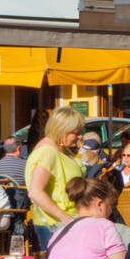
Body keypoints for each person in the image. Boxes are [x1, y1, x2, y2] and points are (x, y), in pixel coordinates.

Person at [26, 106, 87, 250]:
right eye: (76, 133)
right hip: (56, 225)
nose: (79, 137)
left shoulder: (60, 149)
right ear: (61, 131)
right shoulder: (48, 152)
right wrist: (65, 218)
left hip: (68, 222)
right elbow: (35, 192)